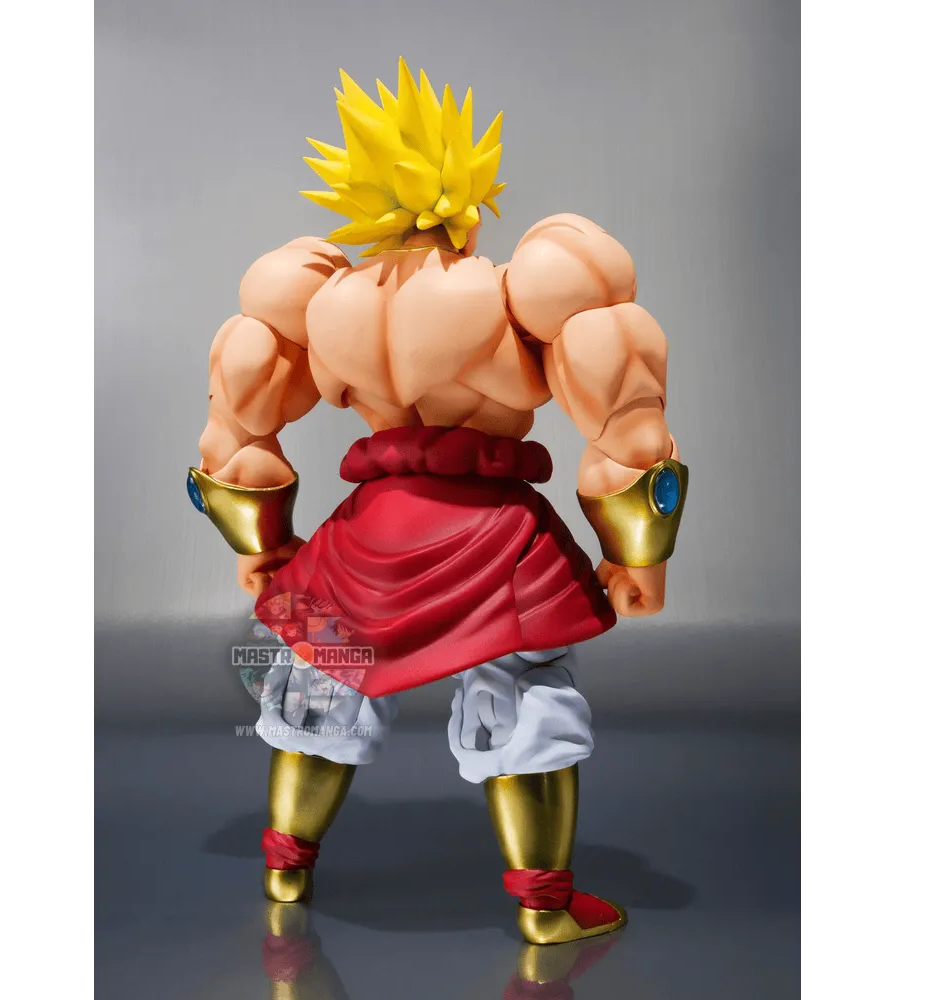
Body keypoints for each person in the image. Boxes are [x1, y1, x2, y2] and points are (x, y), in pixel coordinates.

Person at [187, 59, 687, 945]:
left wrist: (260, 544)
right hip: (494, 541)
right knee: (523, 695)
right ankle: (546, 907)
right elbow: (624, 423)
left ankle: (285, 867)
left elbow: (235, 431)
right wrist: (637, 554)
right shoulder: (527, 281)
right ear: (467, 191)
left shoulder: (320, 296)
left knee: (314, 686)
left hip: (360, 540)